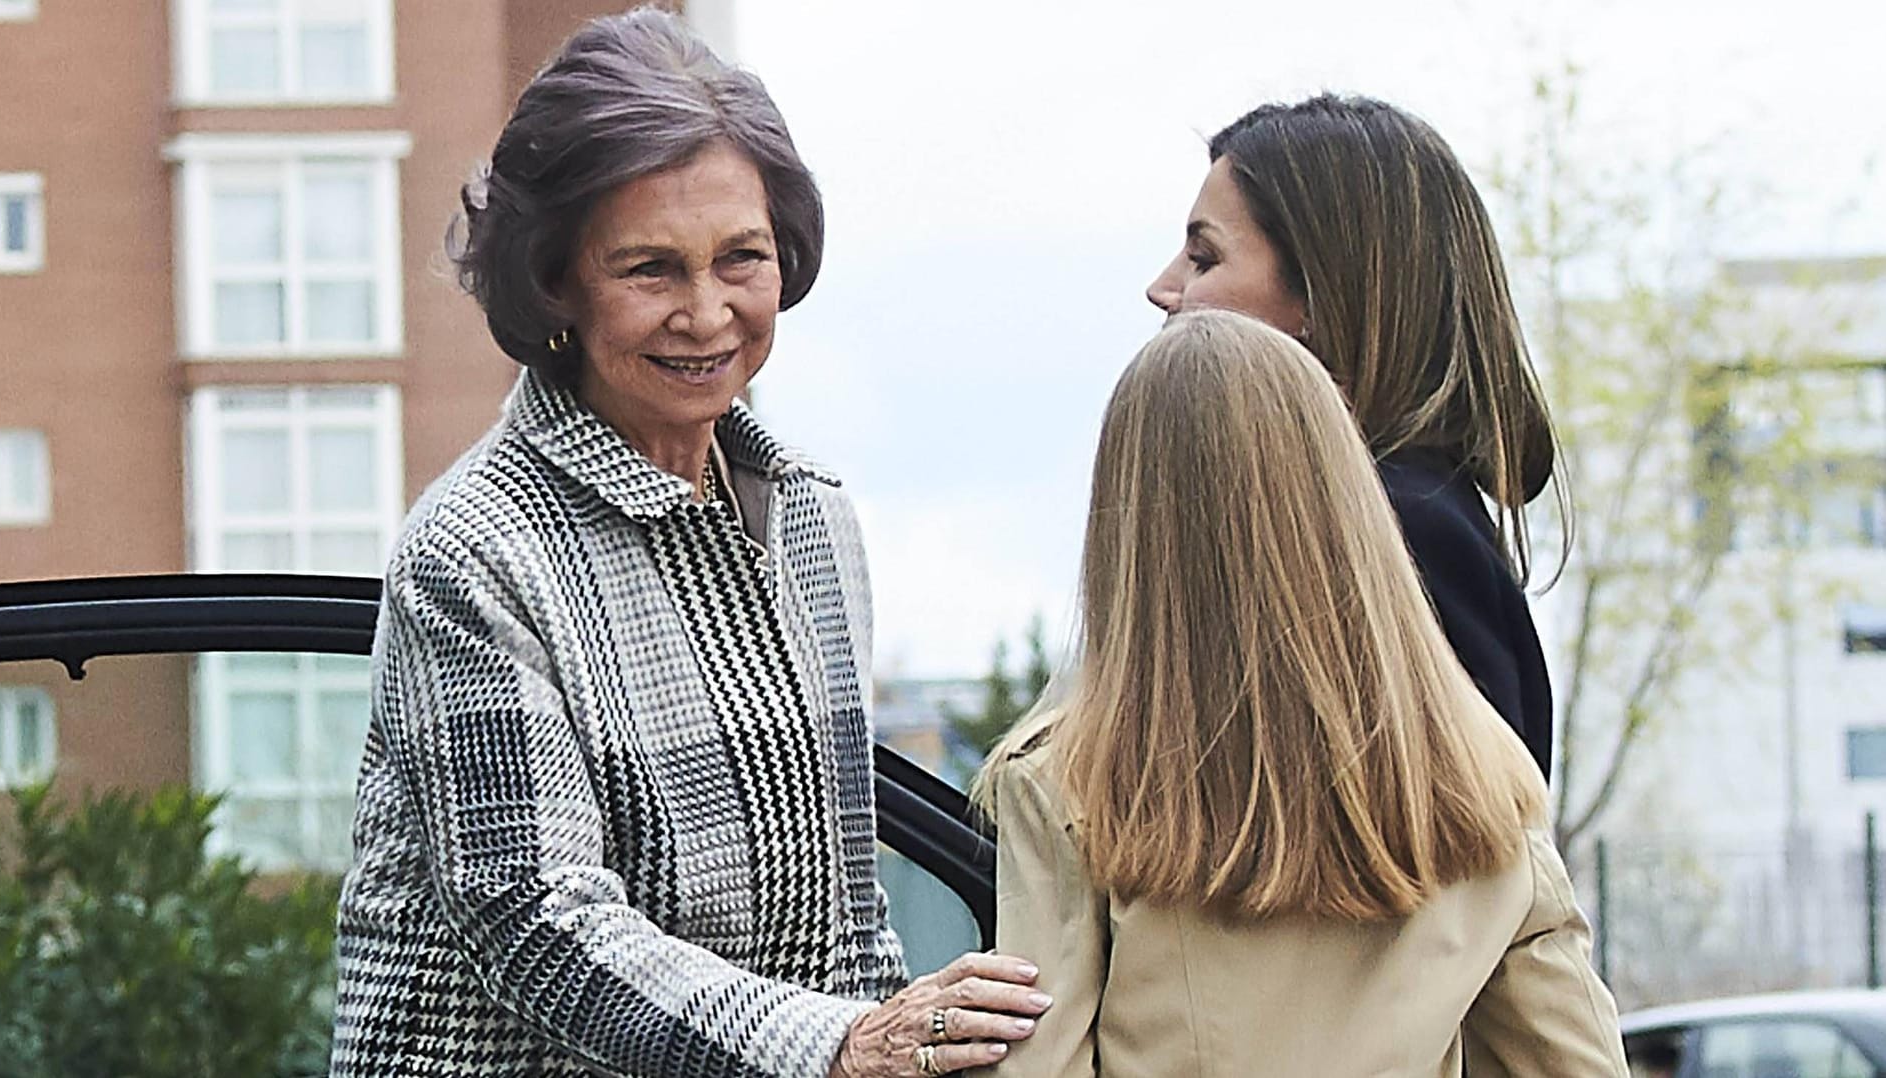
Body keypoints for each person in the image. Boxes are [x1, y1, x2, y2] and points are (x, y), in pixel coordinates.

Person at [328, 11, 1047, 1077]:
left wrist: (898, 1032)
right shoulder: (473, 549)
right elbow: (539, 921)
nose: (708, 313)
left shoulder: (812, 515)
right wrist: (842, 1043)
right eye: (651, 269)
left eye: (741, 258)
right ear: (554, 282)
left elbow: (848, 915)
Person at [976, 310, 1626, 1077]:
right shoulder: (1481, 777)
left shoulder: (1069, 783)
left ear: (1126, 520)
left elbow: (1035, 1066)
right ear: (1344, 493)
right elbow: (1573, 1058)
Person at [1145, 94, 1563, 776]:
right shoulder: (1373, 512)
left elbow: (1454, 848)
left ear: (1320, 297)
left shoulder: (1398, 528)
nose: (1162, 288)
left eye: (1203, 257)